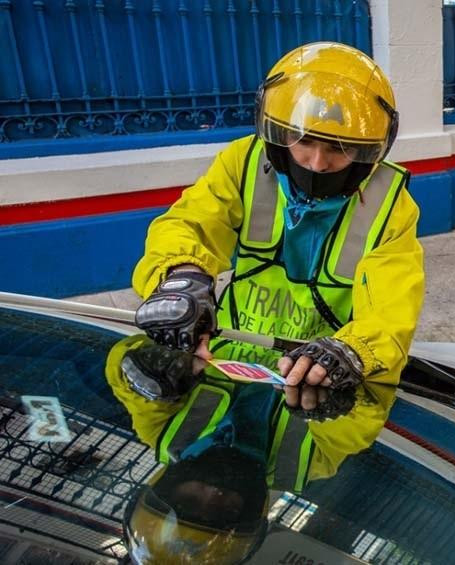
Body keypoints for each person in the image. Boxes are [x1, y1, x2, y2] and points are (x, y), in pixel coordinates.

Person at [131, 41, 424, 391]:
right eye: (303, 141)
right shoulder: (244, 164)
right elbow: (189, 224)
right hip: (223, 356)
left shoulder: (389, 202)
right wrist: (182, 280)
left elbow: (393, 306)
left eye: (338, 149)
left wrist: (355, 350)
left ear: (366, 152)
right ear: (279, 134)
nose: (317, 163)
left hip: (322, 375)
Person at [106, 334, 396, 563]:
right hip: (336, 321)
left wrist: (146, 365)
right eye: (224, 509)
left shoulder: (160, 431)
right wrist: (339, 391)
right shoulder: (310, 463)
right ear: (251, 513)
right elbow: (364, 416)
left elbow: (123, 368)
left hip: (236, 293)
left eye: (190, 500)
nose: (213, 493)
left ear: (165, 488)